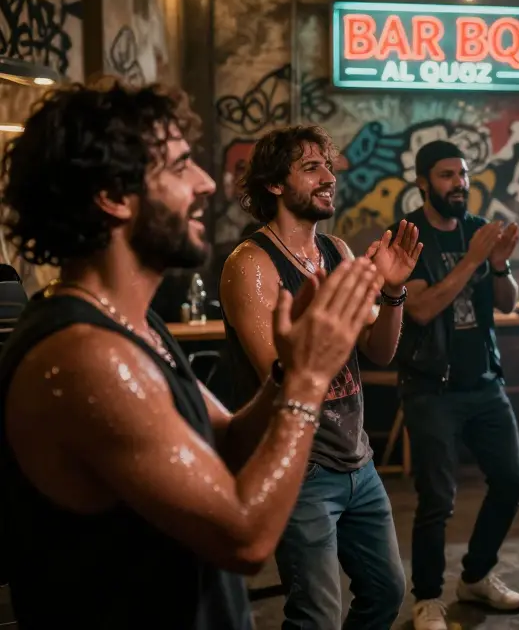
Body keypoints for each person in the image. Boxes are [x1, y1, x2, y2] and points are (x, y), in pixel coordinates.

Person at [0, 82, 379, 627]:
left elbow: (226, 438)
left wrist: (289, 370)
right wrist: (308, 380)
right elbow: (244, 538)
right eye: (180, 167)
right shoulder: (87, 359)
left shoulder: (131, 326)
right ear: (113, 195)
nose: (205, 183)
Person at [222, 125, 419, 629]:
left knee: (386, 591)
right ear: (274, 184)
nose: (330, 177)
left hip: (358, 459)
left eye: (328, 166)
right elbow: (282, 376)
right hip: (303, 468)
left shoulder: (337, 251)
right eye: (312, 168)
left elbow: (378, 351)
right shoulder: (252, 265)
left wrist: (392, 293)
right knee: (317, 617)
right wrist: (336, 309)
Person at [394, 140, 519, 630]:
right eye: (447, 175)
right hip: (432, 388)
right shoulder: (407, 237)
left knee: (512, 482)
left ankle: (476, 575)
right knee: (437, 500)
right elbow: (422, 309)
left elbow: (508, 302)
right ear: (423, 182)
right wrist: (473, 260)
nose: (460, 184)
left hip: (484, 382)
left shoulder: (477, 230)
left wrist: (498, 264)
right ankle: (427, 597)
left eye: (464, 174)